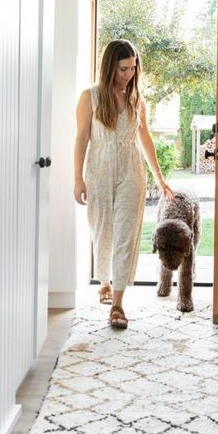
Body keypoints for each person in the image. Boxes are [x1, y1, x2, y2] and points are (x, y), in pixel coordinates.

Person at [73, 39, 175, 329]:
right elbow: (81, 139)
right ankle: (104, 281)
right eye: (122, 69)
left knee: (125, 235)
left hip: (132, 173)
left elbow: (145, 140)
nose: (129, 74)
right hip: (99, 171)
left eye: (133, 68)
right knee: (102, 231)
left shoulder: (136, 100)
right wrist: (77, 177)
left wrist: (159, 177)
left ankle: (117, 304)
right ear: (109, 67)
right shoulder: (89, 97)